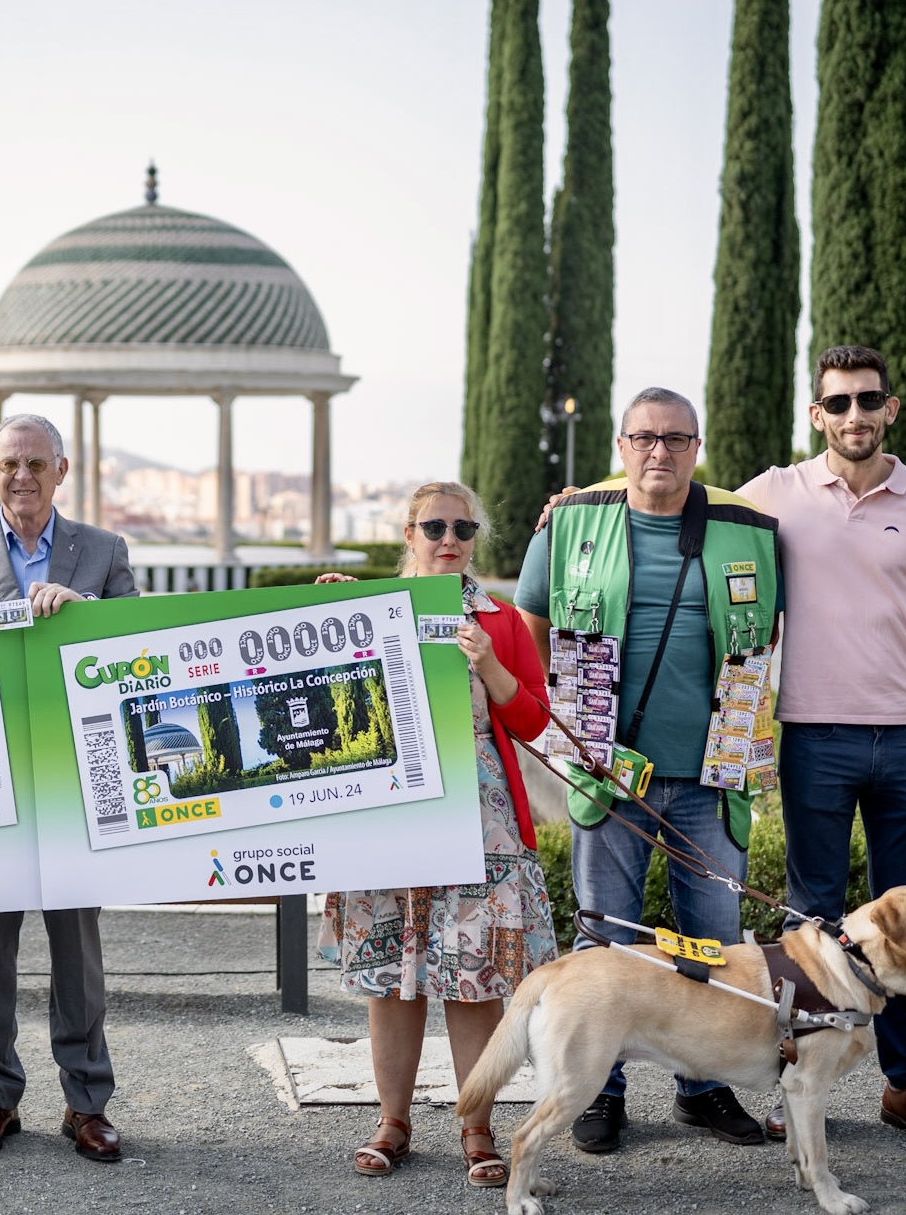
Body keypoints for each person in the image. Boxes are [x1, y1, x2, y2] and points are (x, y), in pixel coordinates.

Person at [514, 387, 782, 1153]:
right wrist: (571, 718)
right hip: (609, 779)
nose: (658, 451)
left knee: (712, 939)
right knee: (608, 939)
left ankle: (703, 1086)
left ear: (695, 447)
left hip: (708, 777)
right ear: (620, 445)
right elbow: (530, 627)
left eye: (674, 438)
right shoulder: (570, 525)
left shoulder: (745, 530)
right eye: (643, 438)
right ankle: (598, 1090)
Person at [738, 345, 906, 1150]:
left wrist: (884, 661)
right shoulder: (774, 493)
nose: (852, 416)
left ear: (890, 408)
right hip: (813, 735)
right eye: (836, 403)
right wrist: (579, 501)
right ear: (816, 414)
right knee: (812, 919)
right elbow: (668, 504)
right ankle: (799, 1079)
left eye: (866, 400)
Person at [312, 481, 557, 1187]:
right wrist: (325, 608)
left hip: (477, 815)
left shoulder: (501, 620)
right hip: (386, 808)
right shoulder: (362, 609)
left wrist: (488, 663)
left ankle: (475, 1126)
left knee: (473, 977)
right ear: (408, 533)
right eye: (433, 526)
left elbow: (533, 723)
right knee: (393, 977)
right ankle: (392, 1121)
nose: (448, 537)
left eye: (462, 526)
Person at [0, 412, 137, 1163]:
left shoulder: (103, 551)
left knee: (77, 948)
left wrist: (89, 614)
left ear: (61, 471)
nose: (22, 476)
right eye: (9, 463)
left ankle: (86, 1103)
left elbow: (145, 646)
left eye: (36, 464)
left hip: (73, 782)